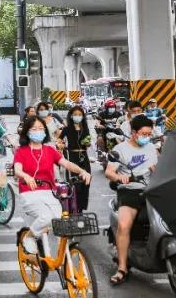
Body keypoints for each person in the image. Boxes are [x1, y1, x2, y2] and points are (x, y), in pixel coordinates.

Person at [14, 115, 91, 256]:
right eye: (34, 129)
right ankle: (29, 237)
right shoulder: (21, 151)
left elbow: (66, 163)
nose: (38, 131)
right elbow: (17, 169)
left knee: (57, 219)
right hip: (29, 192)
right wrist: (26, 176)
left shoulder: (49, 150)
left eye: (41, 128)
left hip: (49, 192)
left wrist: (82, 171)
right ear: (27, 132)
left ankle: (59, 255)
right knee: (46, 217)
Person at [105, 115, 158, 285]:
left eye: (149, 134)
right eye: (143, 134)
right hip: (130, 192)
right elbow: (109, 172)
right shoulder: (121, 149)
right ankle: (122, 267)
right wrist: (120, 179)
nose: (146, 137)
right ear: (134, 133)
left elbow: (159, 167)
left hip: (151, 190)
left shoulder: (151, 148)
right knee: (124, 225)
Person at [56, 104, 93, 210]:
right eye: (75, 114)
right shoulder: (67, 129)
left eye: (80, 114)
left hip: (84, 157)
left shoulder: (85, 128)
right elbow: (59, 141)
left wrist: (88, 143)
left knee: (86, 180)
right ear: (71, 116)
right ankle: (72, 206)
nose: (77, 116)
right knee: (74, 183)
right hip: (71, 156)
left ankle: (81, 207)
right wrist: (60, 145)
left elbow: (88, 142)